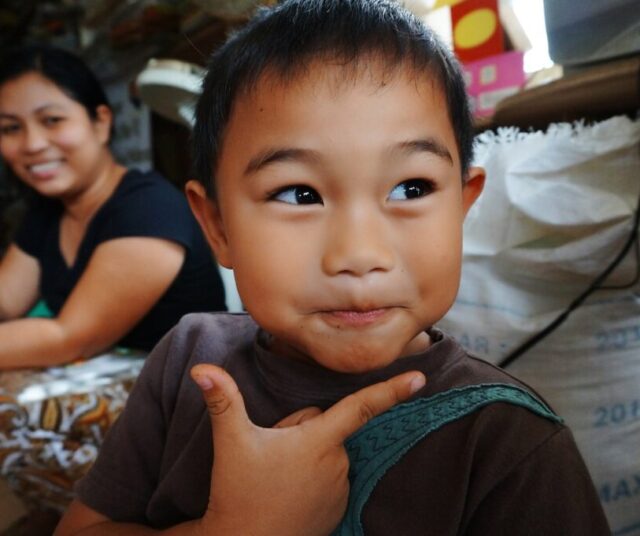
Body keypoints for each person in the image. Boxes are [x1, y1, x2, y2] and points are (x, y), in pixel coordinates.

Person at [56, 0, 611, 534]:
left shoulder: (510, 443)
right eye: (298, 194)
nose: (360, 255)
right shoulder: (187, 363)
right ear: (217, 227)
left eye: (410, 187)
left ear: (461, 208)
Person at [0, 45, 227, 368]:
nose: (32, 144)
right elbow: (6, 301)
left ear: (101, 123)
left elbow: (69, 338)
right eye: (10, 128)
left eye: (52, 120)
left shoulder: (149, 209)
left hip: (183, 402)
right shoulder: (48, 213)